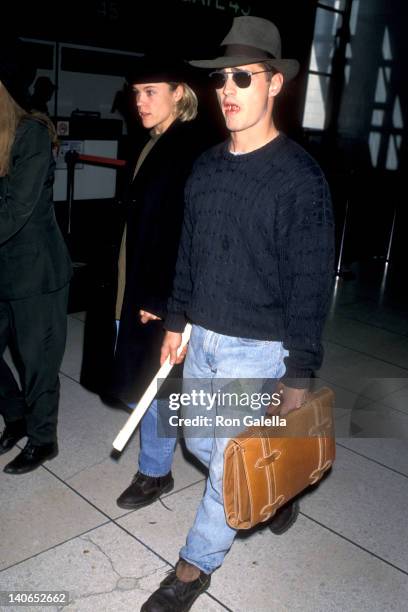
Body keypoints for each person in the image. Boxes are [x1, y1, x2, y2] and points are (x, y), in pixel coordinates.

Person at [142, 16, 335, 611]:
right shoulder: (204, 170)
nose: (228, 89)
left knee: (226, 465)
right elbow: (190, 257)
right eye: (222, 78)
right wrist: (176, 322)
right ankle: (273, 485)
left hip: (259, 349)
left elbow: (309, 284)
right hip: (203, 338)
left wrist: (298, 374)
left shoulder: (299, 180)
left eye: (243, 78)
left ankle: (193, 568)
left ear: (275, 84)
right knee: (201, 443)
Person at [110, 57, 208, 509]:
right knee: (142, 385)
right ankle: (157, 466)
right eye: (136, 93)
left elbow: (184, 233)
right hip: (133, 281)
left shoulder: (187, 148)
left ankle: (155, 472)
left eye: (151, 91)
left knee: (160, 389)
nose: (140, 101)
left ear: (179, 94)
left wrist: (164, 300)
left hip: (157, 291)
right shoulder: (153, 140)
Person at [0, 42, 72, 474]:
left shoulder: (32, 134)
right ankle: (17, 417)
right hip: (5, 270)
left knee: (37, 361)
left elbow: (15, 209)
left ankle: (43, 439)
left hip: (37, 273)